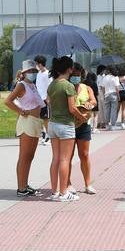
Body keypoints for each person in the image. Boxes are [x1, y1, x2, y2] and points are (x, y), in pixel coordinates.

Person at [44, 56, 83, 202]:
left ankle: (54, 192)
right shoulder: (68, 86)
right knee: (65, 159)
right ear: (69, 69)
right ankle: (64, 192)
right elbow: (72, 108)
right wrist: (82, 117)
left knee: (55, 158)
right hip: (66, 124)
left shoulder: (52, 84)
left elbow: (47, 101)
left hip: (53, 124)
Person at [73, 62, 98, 194]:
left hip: (84, 124)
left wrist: (89, 104)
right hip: (70, 124)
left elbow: (94, 101)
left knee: (84, 154)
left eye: (78, 74)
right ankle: (68, 183)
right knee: (68, 156)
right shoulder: (66, 87)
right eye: (73, 74)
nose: (76, 77)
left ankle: (88, 184)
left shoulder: (86, 88)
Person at [34, 54, 51, 145]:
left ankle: (49, 136)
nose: (36, 66)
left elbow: (49, 87)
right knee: (41, 119)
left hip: (45, 99)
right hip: (39, 99)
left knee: (46, 119)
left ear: (40, 64)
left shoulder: (48, 74)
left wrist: (48, 99)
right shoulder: (39, 74)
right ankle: (44, 134)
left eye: (36, 64)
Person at [96, 64, 119, 130]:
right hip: (114, 94)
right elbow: (117, 87)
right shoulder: (115, 77)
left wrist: (104, 94)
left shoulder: (105, 77)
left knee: (106, 110)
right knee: (113, 110)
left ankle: (107, 125)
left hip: (106, 94)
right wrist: (118, 96)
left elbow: (102, 87)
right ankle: (113, 125)